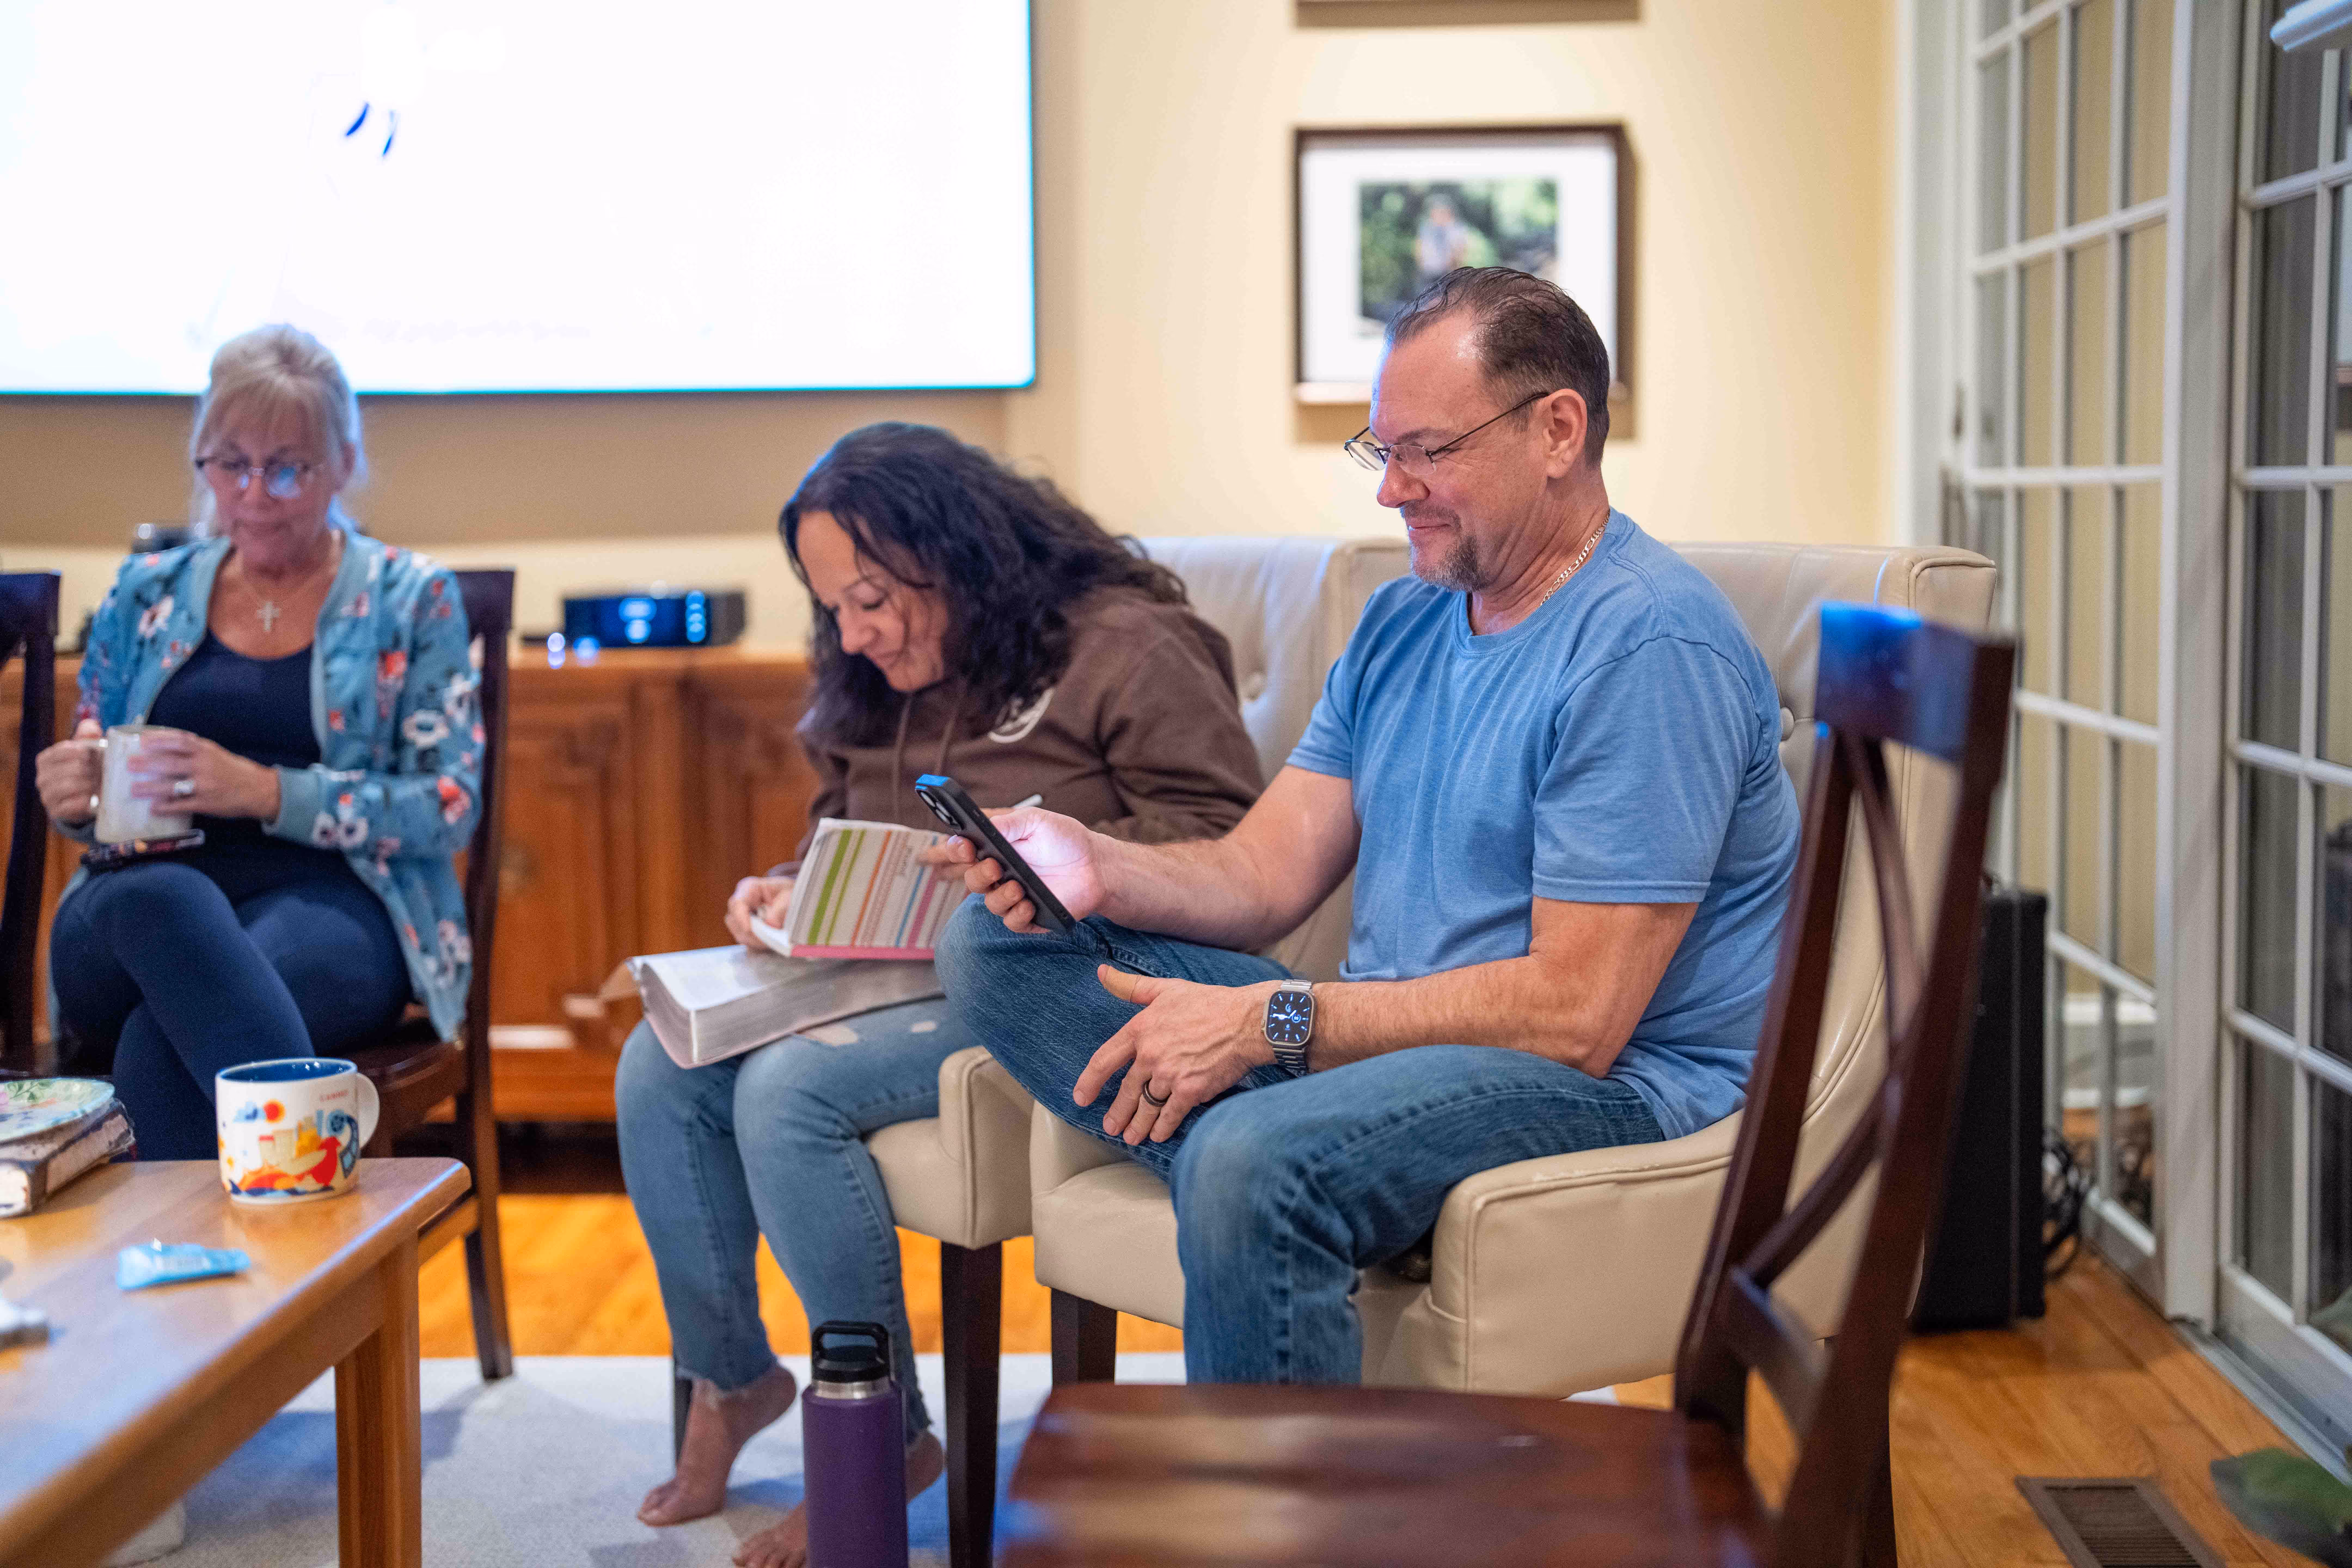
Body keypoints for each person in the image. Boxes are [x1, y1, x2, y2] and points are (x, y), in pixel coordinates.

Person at [937, 267, 1802, 1386]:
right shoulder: (1405, 619)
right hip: (1392, 1056)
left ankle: (1277, 1308)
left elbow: (1578, 1014)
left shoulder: (1647, 647)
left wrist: (1264, 1025)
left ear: (1558, 429)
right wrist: (1100, 868)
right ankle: (1300, 1194)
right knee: (996, 944)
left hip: (1607, 1086)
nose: (1392, 491)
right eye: (1380, 450)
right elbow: (1264, 872)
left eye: (1428, 452)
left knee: (1250, 1160)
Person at [615, 422, 1262, 1568]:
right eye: (835, 612)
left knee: (787, 1092)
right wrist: (781, 890)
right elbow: (842, 829)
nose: (855, 637)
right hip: (877, 976)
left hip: (1053, 979)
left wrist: (1057, 858)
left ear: (958, 557)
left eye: (872, 600)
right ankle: (733, 1381)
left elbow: (1227, 850)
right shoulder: (876, 677)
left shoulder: (1127, 644)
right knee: (655, 1062)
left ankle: (885, 1436)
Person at [33, 324, 480, 1160]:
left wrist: (266, 791)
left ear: (343, 464)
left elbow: (448, 807)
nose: (254, 493)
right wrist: (77, 793)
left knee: (159, 1043)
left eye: (287, 468)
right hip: (132, 906)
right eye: (229, 464)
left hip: (334, 906)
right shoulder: (146, 593)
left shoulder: (410, 599)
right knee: (166, 904)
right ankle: (322, 1220)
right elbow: (93, 758)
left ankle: (184, 1282)